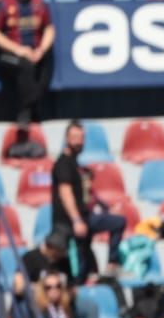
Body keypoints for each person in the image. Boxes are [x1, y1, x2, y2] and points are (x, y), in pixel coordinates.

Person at [49, 120, 123, 283]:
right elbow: (65, 193)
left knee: (117, 222)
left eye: (81, 138)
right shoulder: (63, 163)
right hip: (67, 225)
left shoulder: (77, 165)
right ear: (67, 139)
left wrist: (106, 210)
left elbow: (86, 196)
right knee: (75, 269)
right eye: (74, 137)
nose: (78, 142)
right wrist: (76, 220)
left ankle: (112, 264)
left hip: (85, 219)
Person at [0, 0, 54, 126]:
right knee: (26, 66)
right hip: (9, 55)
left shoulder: (39, 3)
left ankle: (31, 111)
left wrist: (41, 49)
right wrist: (19, 50)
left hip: (35, 51)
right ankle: (26, 112)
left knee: (43, 69)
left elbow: (49, 29)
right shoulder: (4, 4)